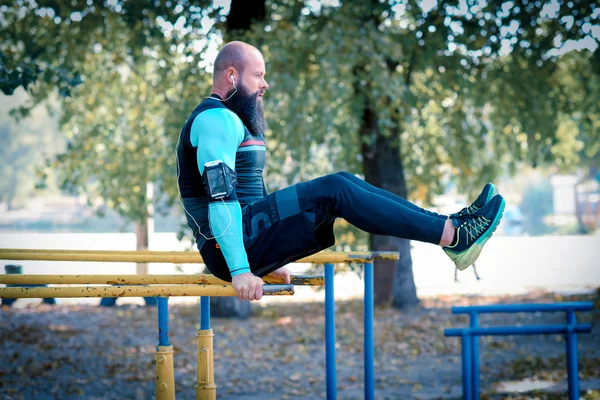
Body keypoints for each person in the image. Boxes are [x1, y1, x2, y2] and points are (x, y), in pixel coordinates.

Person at [176, 41, 505, 302]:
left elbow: (254, 196)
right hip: (225, 248)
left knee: (345, 183)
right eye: (257, 75)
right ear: (231, 75)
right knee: (336, 188)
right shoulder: (214, 120)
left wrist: (267, 262)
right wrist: (241, 269)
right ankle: (453, 234)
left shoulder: (233, 119)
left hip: (247, 238)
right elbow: (221, 201)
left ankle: (452, 226)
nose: (266, 83)